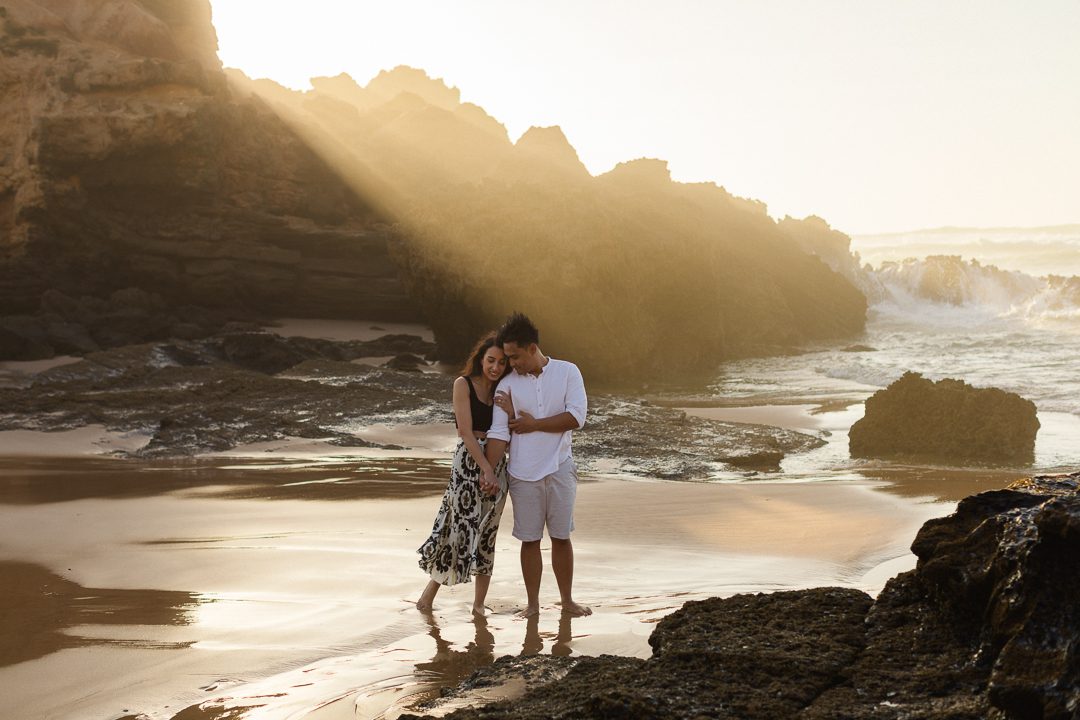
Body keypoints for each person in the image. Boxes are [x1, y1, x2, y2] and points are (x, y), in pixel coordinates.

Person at [484, 312, 591, 618]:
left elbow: (576, 417)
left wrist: (534, 424)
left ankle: (567, 601)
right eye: (508, 357)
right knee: (529, 540)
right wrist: (487, 471)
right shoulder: (506, 385)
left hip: (560, 466)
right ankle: (533, 604)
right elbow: (499, 432)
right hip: (522, 473)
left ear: (532, 348)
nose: (511, 363)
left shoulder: (568, 372)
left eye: (515, 356)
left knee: (561, 537)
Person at [416, 332, 510, 616]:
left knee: (487, 531)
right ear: (481, 358)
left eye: (501, 363)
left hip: (497, 463)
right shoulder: (463, 384)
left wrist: (494, 468)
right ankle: (427, 597)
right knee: (458, 527)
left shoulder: (504, 390)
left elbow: (510, 429)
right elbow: (465, 432)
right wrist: (485, 469)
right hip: (468, 463)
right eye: (491, 360)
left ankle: (479, 605)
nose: (495, 367)